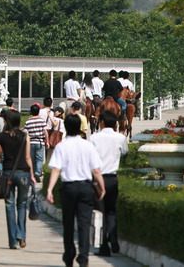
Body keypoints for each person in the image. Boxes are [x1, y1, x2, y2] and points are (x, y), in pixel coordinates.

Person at [46, 114, 106, 267]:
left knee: (68, 223)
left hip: (68, 188)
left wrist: (50, 189)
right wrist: (101, 186)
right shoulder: (88, 145)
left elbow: (56, 170)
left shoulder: (61, 146)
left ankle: (69, 254)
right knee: (84, 223)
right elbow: (96, 170)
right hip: (85, 188)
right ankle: (83, 256)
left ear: (65, 127)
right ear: (80, 127)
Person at [0, 111, 38, 250]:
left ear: (7, 121)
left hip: (8, 174)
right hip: (23, 172)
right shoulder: (25, 136)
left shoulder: (1, 137)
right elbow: (28, 157)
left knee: (9, 205)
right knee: (22, 204)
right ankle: (21, 235)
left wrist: (2, 161)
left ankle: (13, 241)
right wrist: (32, 175)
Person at [90, 112, 128, 256]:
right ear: (115, 124)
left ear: (102, 123)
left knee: (100, 213)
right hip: (112, 178)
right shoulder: (120, 138)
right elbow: (125, 152)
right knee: (111, 211)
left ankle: (103, 246)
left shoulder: (94, 138)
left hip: (98, 179)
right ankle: (113, 238)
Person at [24, 104, 48, 182]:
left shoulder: (28, 121)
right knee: (39, 159)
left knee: (32, 159)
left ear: (31, 112)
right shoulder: (42, 120)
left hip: (30, 142)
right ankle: (37, 173)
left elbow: (25, 132)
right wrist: (47, 141)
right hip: (40, 141)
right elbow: (45, 132)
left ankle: (33, 173)